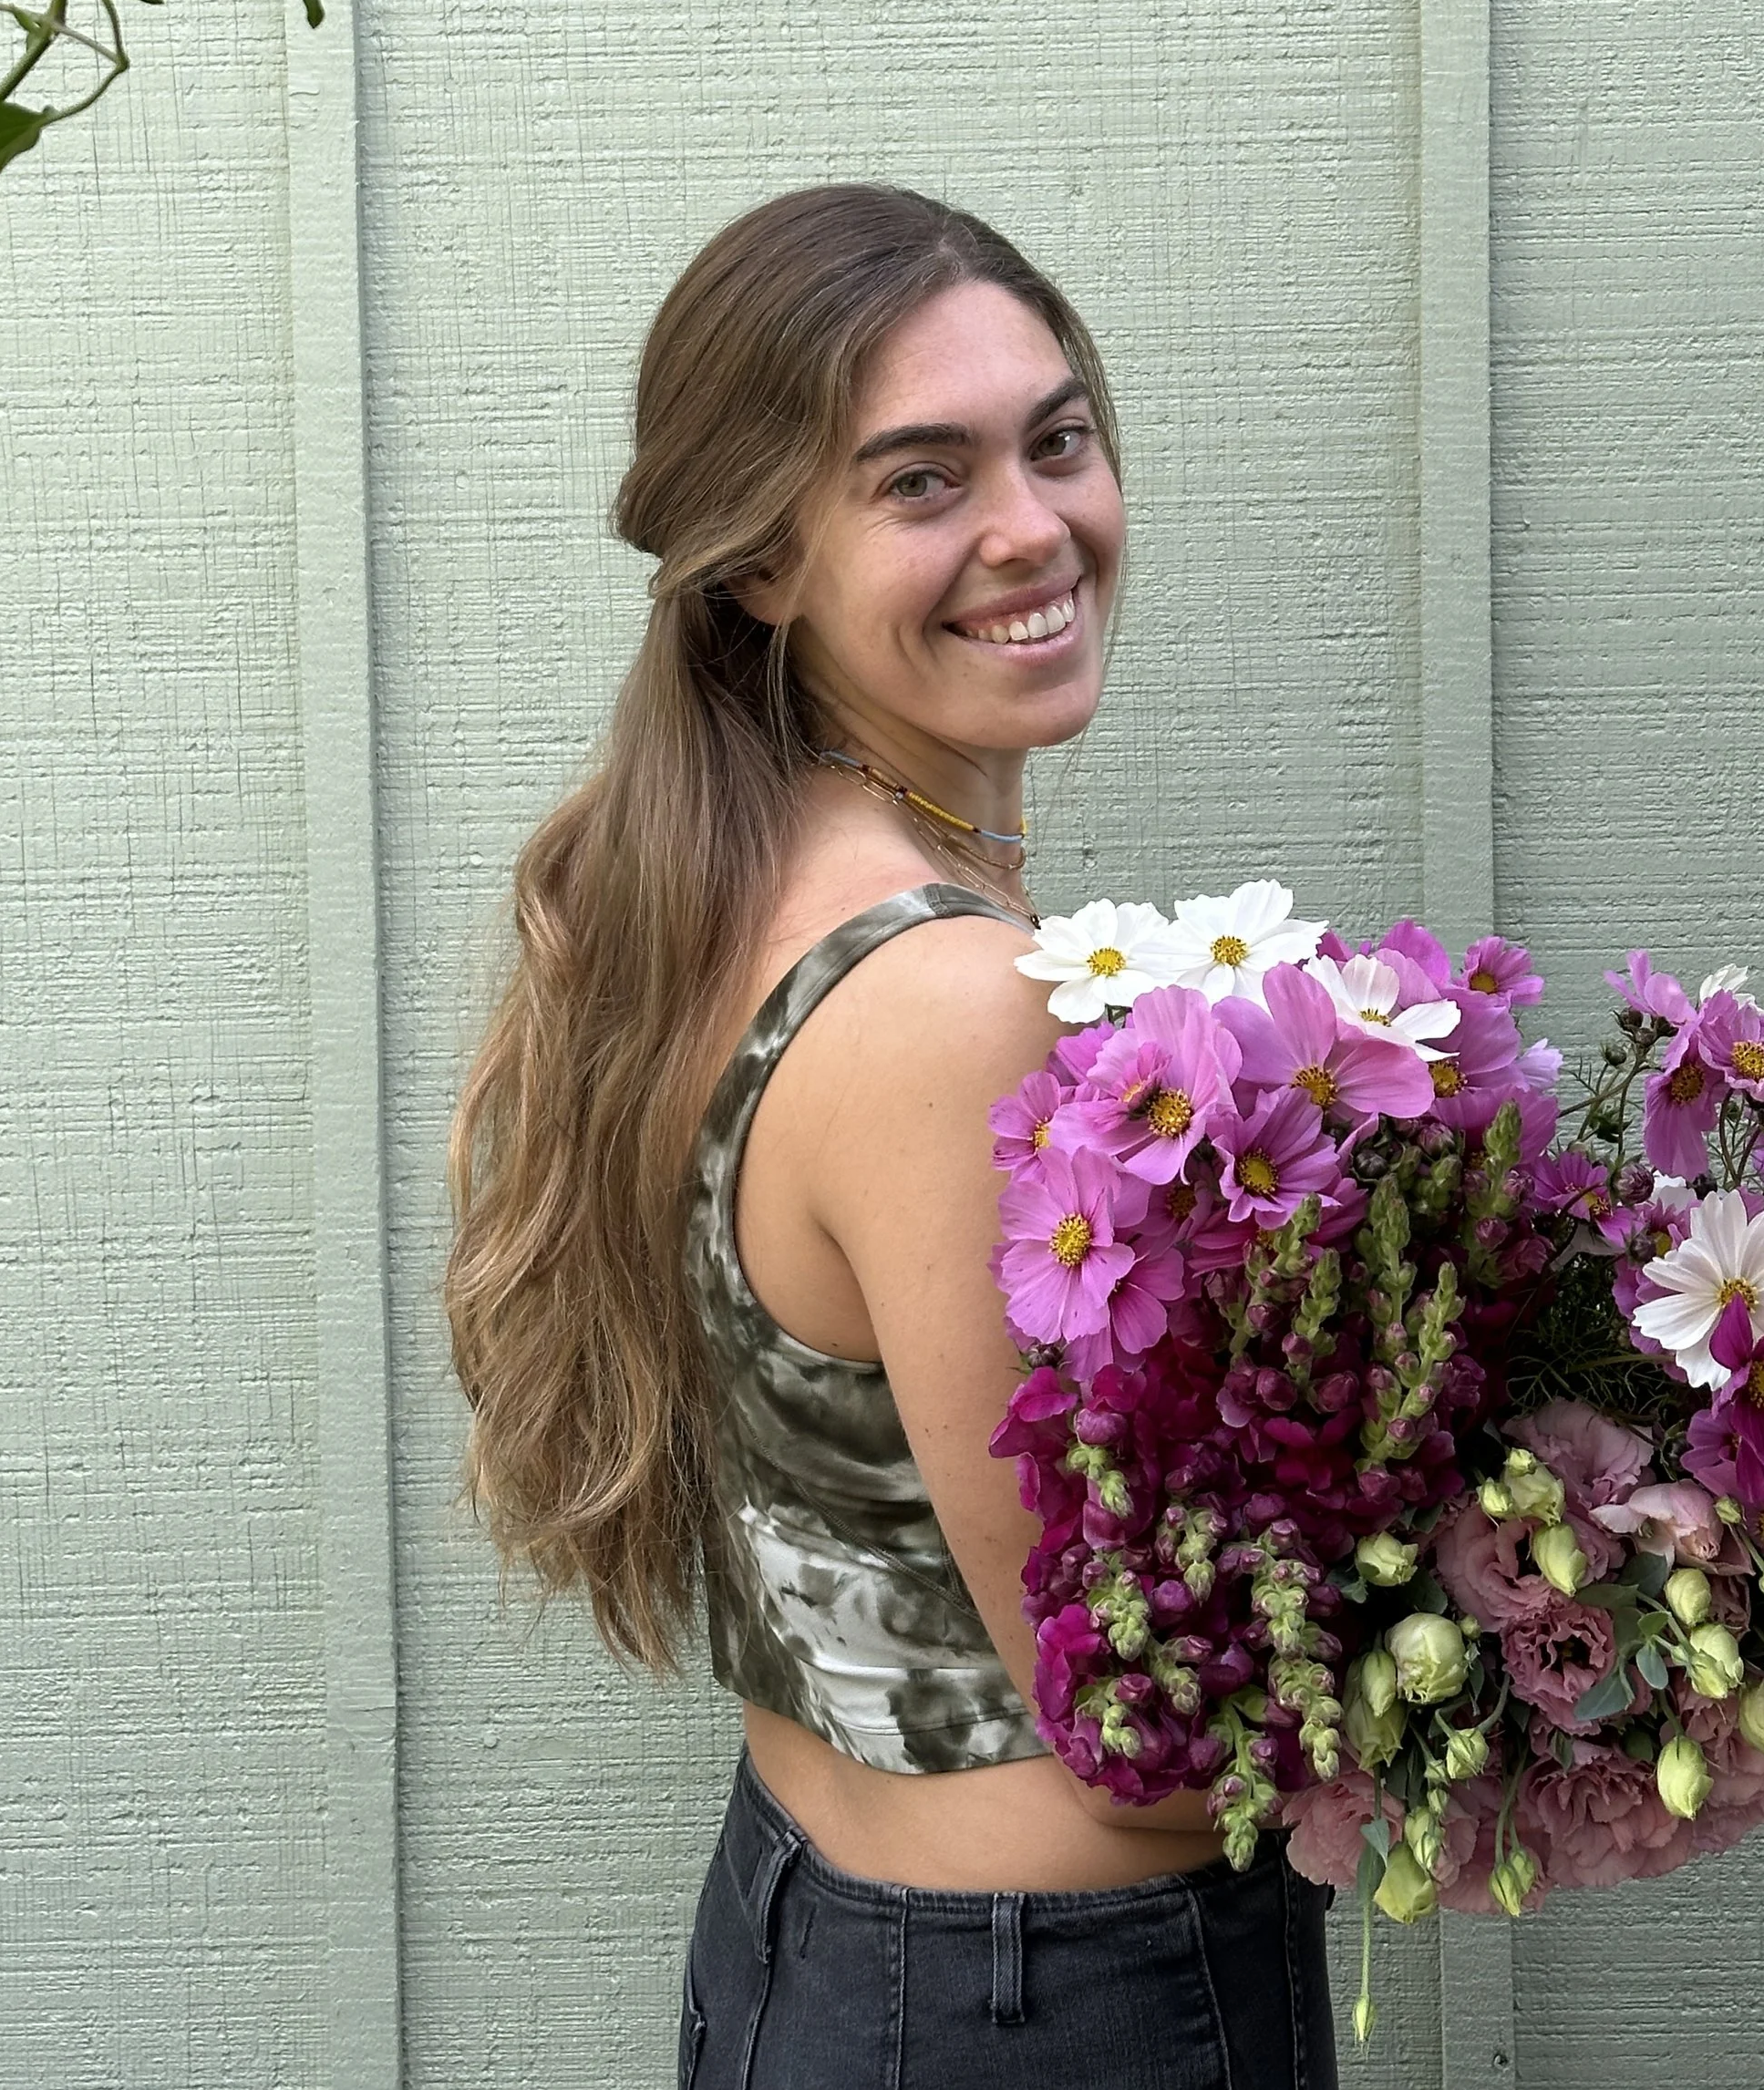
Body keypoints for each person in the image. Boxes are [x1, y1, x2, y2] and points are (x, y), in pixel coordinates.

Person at [445, 183, 1337, 2087]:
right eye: (921, 480)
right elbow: (1122, 1700)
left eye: (1057, 438)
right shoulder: (944, 998)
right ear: (757, 560)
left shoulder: (719, 874)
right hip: (1047, 2006)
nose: (1032, 528)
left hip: (827, 1932)